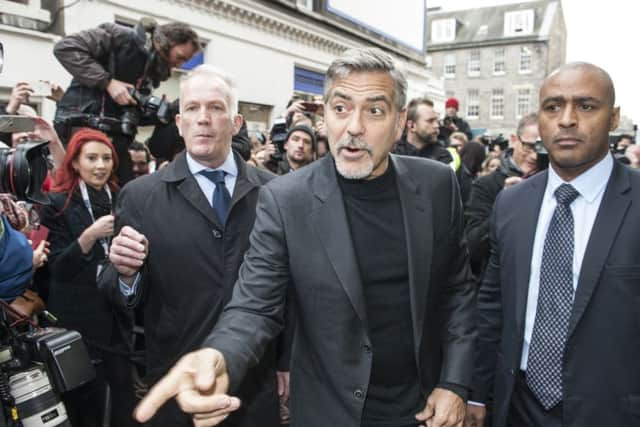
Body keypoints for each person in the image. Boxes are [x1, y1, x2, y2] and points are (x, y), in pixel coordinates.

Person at [133, 47, 476, 427]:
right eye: (341, 108)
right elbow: (254, 305)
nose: (354, 127)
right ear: (324, 117)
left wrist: (455, 382)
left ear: (399, 124)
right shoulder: (286, 199)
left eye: (374, 111)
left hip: (423, 410)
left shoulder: (437, 185)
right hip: (328, 413)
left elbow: (457, 291)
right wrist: (220, 356)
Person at [100, 65, 279, 426]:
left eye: (215, 108)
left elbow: (290, 290)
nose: (203, 119)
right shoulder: (140, 196)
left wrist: (289, 363)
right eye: (193, 109)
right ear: (179, 123)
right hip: (175, 382)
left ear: (236, 122)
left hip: (255, 385)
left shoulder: (275, 192)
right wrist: (125, 273)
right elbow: (117, 295)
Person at [465, 62, 640, 427]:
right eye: (553, 107)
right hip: (518, 407)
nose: (567, 120)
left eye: (587, 106)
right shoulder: (511, 204)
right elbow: (492, 307)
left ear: (614, 118)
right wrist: (477, 393)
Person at [39, 128, 136, 427]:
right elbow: (56, 268)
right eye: (91, 158)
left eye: (107, 158)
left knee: (123, 394)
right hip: (74, 318)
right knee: (82, 400)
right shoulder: (56, 204)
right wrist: (89, 237)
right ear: (76, 163)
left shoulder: (124, 198)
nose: (100, 166)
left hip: (116, 314)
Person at [53, 19, 199, 184]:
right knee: (78, 193)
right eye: (180, 57)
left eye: (184, 61)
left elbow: (134, 111)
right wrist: (107, 83)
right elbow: (66, 47)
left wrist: (169, 110)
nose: (179, 64)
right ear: (168, 42)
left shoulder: (152, 72)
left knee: (125, 195)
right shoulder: (120, 37)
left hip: (115, 141)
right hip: (82, 130)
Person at [464, 113, 539, 277]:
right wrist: (505, 205)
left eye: (541, 148)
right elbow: (473, 247)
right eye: (529, 146)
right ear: (514, 139)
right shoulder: (486, 185)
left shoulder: (553, 183)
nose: (534, 155)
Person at [393, 97, 453, 165]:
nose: (436, 125)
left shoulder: (444, 158)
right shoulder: (392, 154)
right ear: (412, 125)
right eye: (430, 121)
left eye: (436, 121)